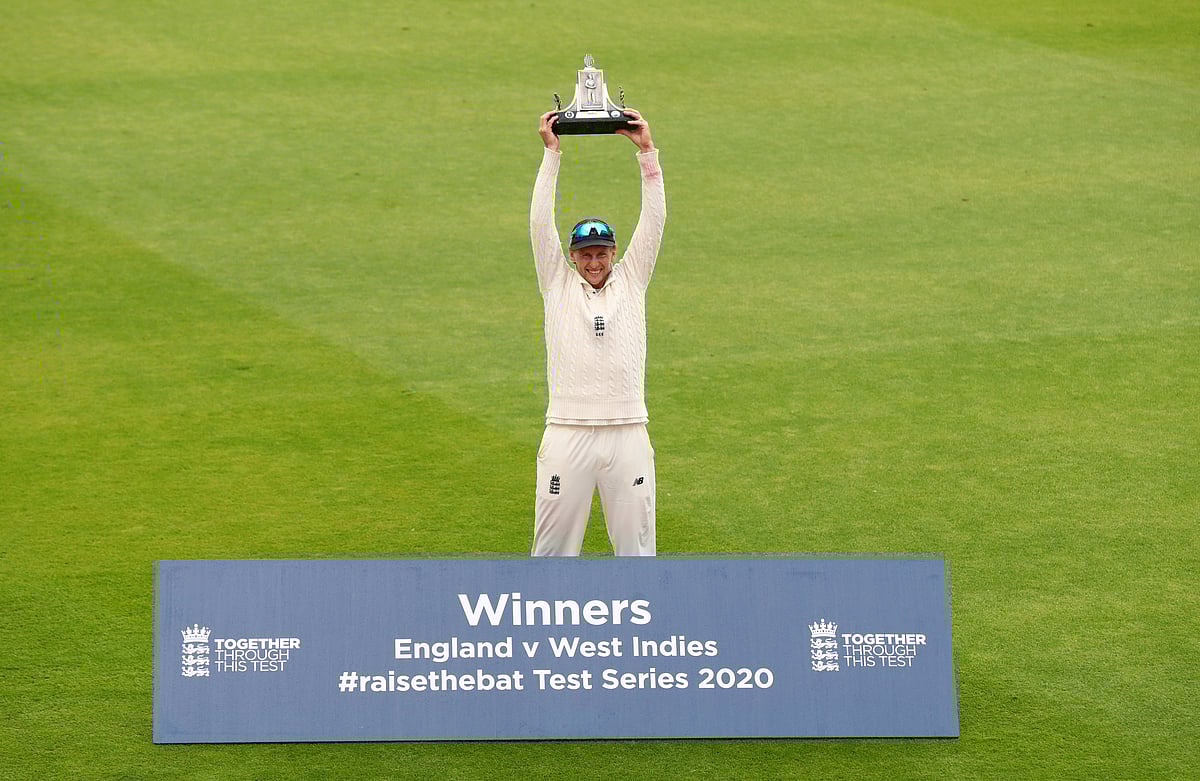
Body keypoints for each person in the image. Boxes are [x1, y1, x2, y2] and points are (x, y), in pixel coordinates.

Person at [529, 108, 666, 557]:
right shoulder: (556, 282)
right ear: (571, 256)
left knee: (637, 549)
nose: (594, 262)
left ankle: (645, 625)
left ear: (613, 253)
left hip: (628, 430)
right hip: (568, 431)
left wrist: (648, 153)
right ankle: (546, 624)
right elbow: (538, 226)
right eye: (585, 253)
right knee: (552, 550)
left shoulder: (633, 277)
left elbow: (653, 224)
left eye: (601, 252)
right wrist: (552, 155)